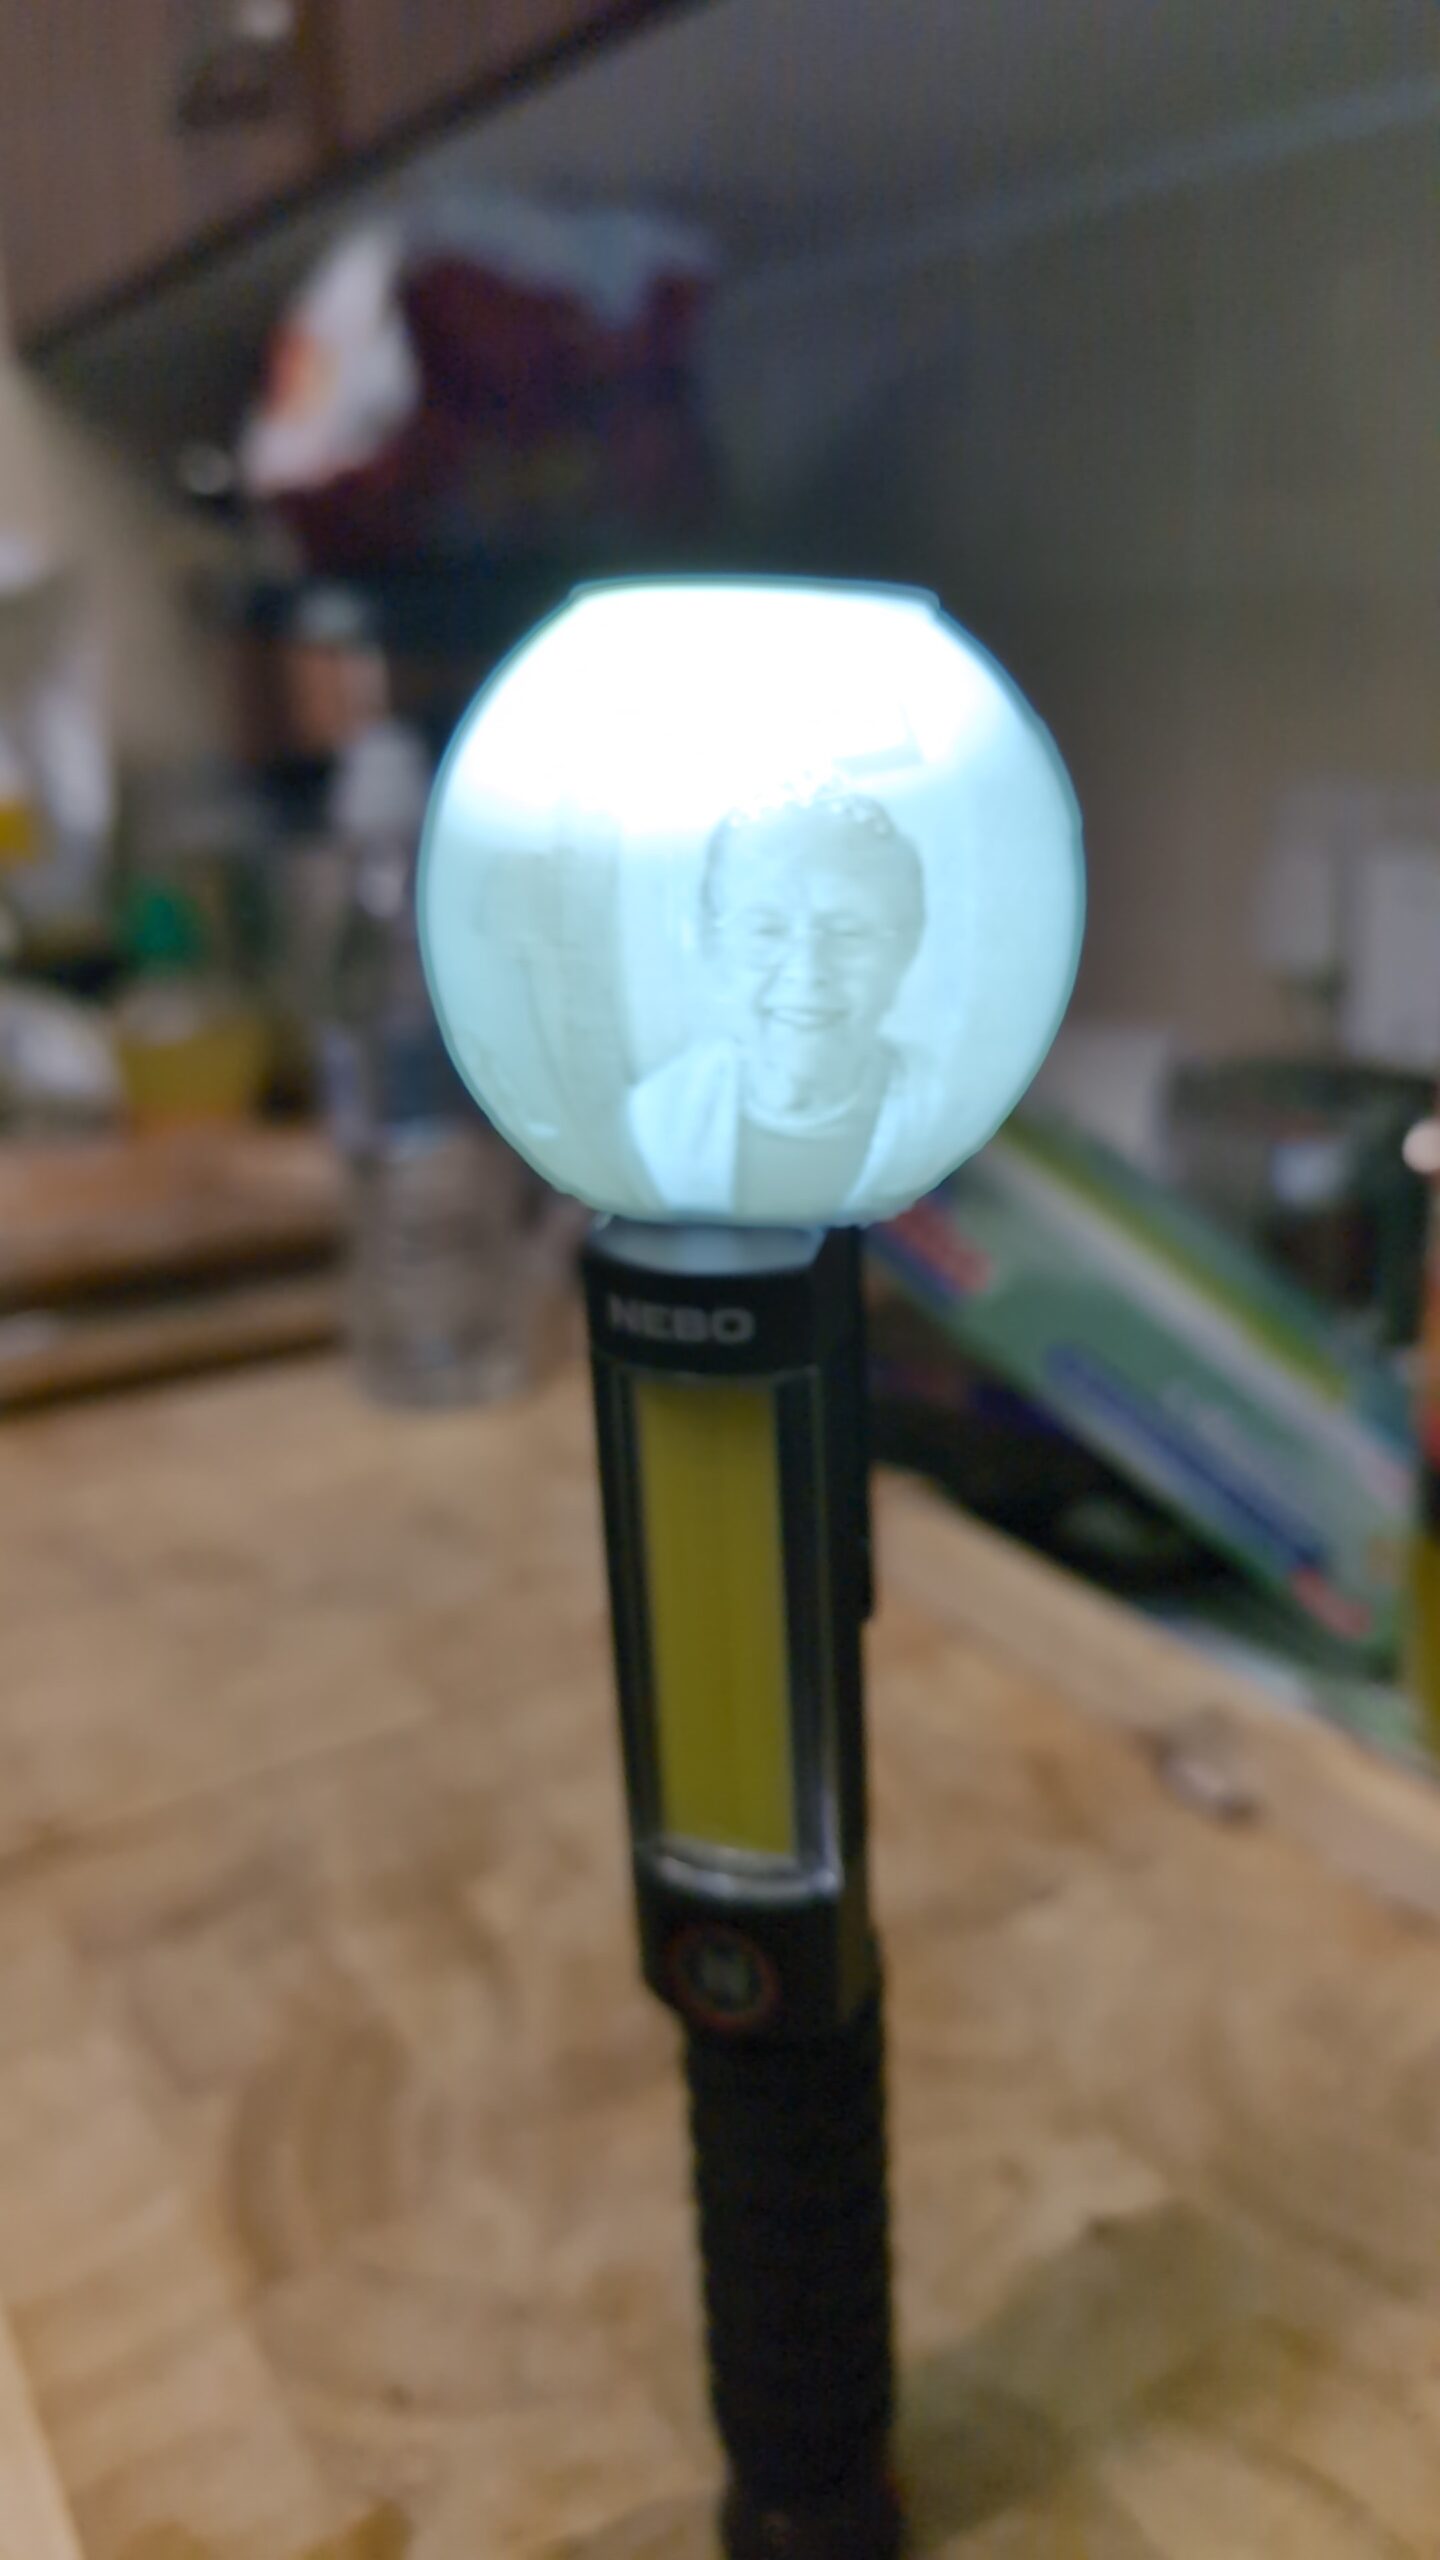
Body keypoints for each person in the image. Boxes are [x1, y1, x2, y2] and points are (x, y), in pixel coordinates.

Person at [627, 784, 934, 1220]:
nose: (807, 971)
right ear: (715, 948)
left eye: (848, 931)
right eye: (766, 930)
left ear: (904, 951)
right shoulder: (658, 1115)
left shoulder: (947, 1115)